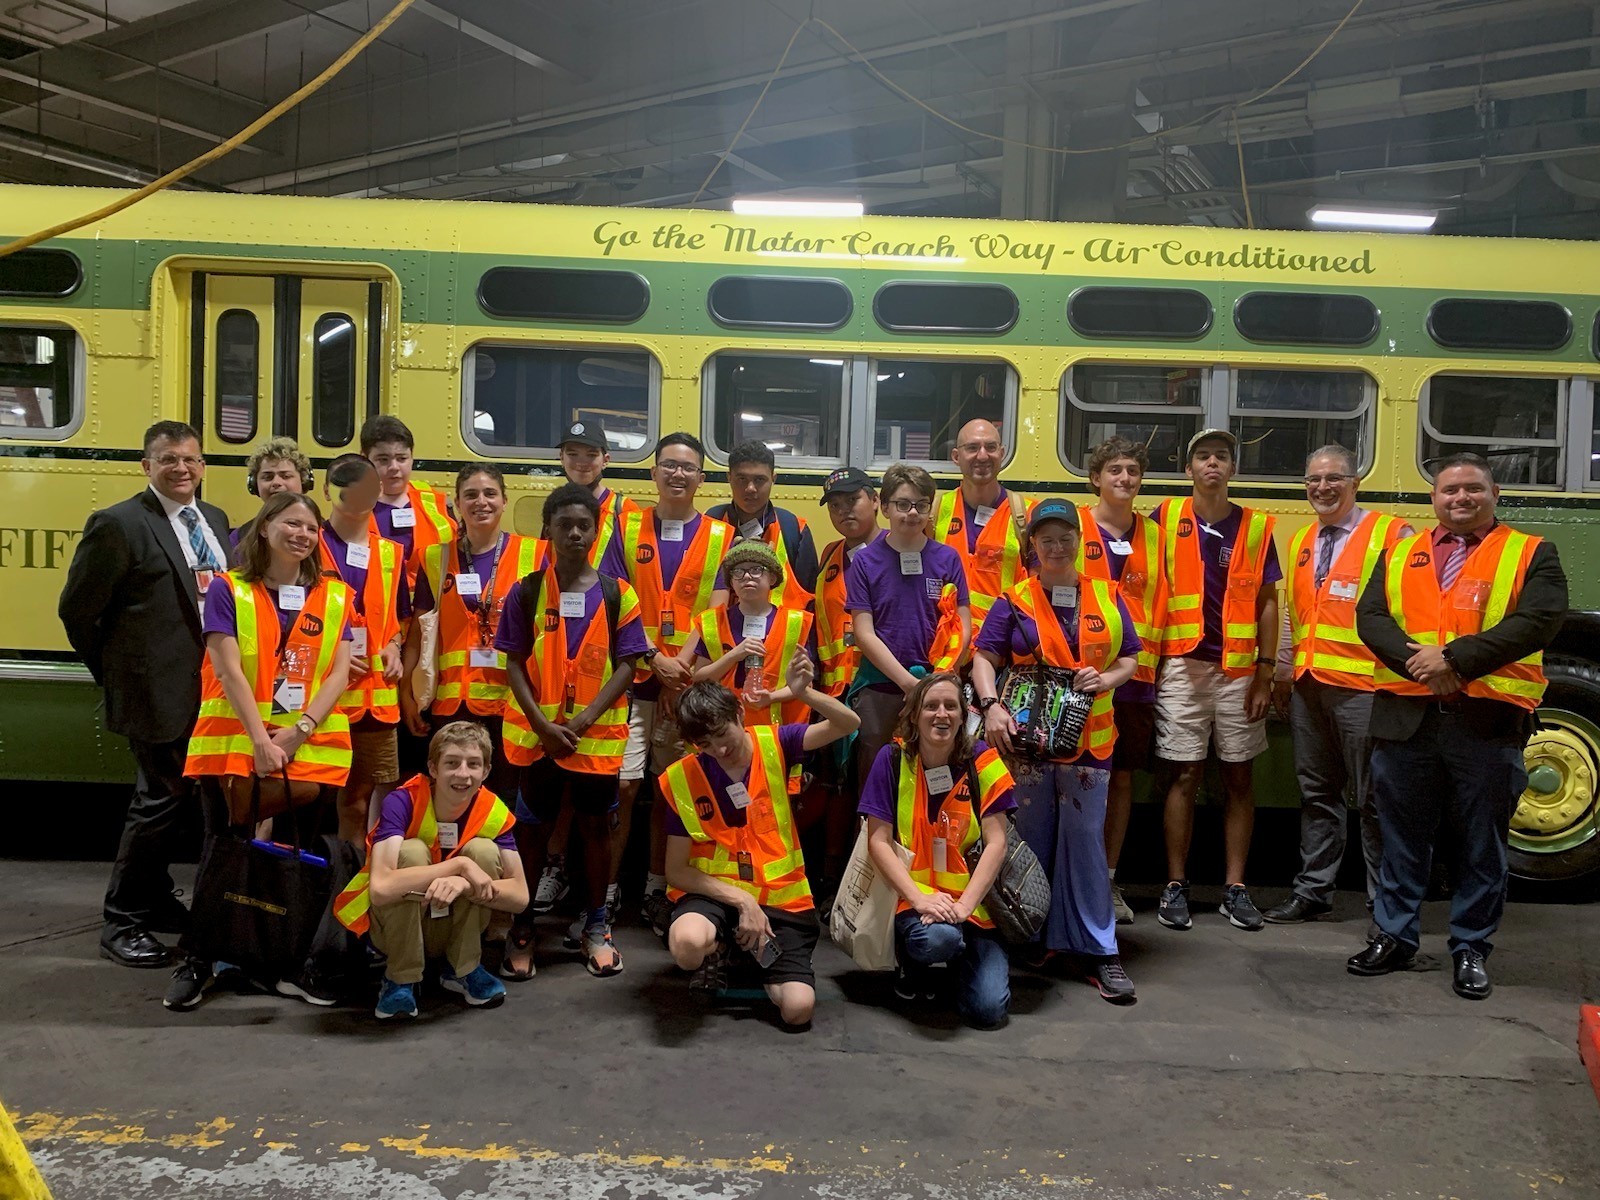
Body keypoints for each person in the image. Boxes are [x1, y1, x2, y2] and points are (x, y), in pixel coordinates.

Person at [1349, 454, 1566, 1000]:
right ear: (1434, 499)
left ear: (1494, 493)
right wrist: (1422, 663)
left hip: (1487, 721)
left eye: (1472, 489)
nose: (1460, 499)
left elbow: (1537, 621)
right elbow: (1371, 618)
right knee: (1401, 837)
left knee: (1481, 842)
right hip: (1405, 718)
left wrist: (1455, 660)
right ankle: (1395, 937)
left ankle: (1471, 947)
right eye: (1449, 490)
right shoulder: (1399, 552)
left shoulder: (1531, 552)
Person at [171, 491, 355, 1009]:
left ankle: (290, 959)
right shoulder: (229, 589)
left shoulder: (337, 595)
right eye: (290, 523)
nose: (301, 534)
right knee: (221, 848)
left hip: (310, 743)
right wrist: (260, 740)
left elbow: (340, 671)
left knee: (303, 854)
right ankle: (200, 959)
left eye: (310, 527)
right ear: (265, 528)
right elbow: (227, 668)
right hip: (236, 743)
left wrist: (298, 731)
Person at [59, 420, 231, 970]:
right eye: (168, 460)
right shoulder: (119, 524)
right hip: (155, 691)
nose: (181, 469)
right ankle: (122, 921)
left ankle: (156, 899)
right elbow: (79, 610)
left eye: (191, 459)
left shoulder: (216, 519)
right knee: (157, 804)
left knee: (183, 804)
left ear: (203, 465)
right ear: (147, 466)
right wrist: (120, 675)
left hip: (213, 689)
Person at [971, 500, 1141, 1003]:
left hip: (1090, 744)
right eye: (1046, 538)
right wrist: (990, 707)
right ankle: (1035, 937)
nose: (1057, 546)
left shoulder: (1106, 595)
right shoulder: (1013, 599)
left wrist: (1105, 677)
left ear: (1078, 540)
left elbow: (1130, 656)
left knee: (1086, 843)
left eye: (1065, 536)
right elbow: (984, 656)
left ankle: (1097, 950)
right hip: (1028, 745)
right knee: (1033, 841)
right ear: (1033, 547)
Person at [498, 484, 648, 980]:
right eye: (565, 524)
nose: (576, 532)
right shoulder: (525, 591)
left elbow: (628, 665)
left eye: (584, 524)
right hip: (537, 741)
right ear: (548, 530)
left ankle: (597, 927)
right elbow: (514, 664)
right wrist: (543, 725)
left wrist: (581, 722)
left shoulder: (616, 592)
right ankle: (522, 929)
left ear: (597, 528)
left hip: (594, 741)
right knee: (533, 834)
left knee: (594, 831)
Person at [661, 657, 859, 1028]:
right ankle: (716, 950)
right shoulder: (682, 778)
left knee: (798, 1011)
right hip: (716, 896)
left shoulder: (777, 742)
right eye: (704, 743)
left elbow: (850, 723)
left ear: (739, 713)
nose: (719, 750)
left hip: (782, 896)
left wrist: (805, 693)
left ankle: (753, 955)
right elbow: (675, 869)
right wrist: (741, 900)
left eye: (722, 735)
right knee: (687, 945)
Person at [1264, 446, 1410, 928]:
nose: (1322, 488)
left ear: (1355, 482)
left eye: (1333, 478)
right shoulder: (1303, 538)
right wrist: (1285, 673)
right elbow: (1295, 615)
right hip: (1310, 687)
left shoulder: (1393, 534)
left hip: (1366, 688)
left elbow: (1412, 612)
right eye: (1313, 480)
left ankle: (1384, 905)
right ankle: (1313, 891)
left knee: (1374, 798)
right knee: (1318, 794)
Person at [599, 432, 733, 933]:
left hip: (689, 683)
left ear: (701, 478)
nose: (678, 474)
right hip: (634, 678)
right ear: (653, 472)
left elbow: (718, 611)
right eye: (669, 466)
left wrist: (683, 665)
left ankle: (660, 887)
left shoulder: (721, 536)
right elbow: (613, 597)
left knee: (674, 788)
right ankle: (606, 892)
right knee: (626, 786)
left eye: (689, 467)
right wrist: (655, 657)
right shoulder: (626, 526)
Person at [1153, 429, 1281, 933]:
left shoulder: (1255, 526)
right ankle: (1176, 884)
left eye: (1221, 457)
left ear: (1232, 468)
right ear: (1189, 468)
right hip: (1182, 666)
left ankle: (1235, 887)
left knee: (1238, 777)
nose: (1212, 464)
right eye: (1202, 456)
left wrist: (1266, 672)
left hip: (1240, 671)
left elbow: (1269, 602)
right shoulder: (1163, 520)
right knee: (1183, 775)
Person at [333, 721, 530, 1020]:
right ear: (433, 768)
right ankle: (400, 977)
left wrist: (464, 884)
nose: (463, 774)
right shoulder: (403, 801)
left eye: (473, 764)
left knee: (484, 852)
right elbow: (381, 888)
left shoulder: (492, 810)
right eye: (452, 763)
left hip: (451, 925)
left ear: (486, 772)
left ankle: (462, 969)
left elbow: (520, 897)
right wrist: (460, 867)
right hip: (395, 929)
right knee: (412, 851)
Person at [858, 672, 1016, 1029]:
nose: (941, 715)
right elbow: (877, 841)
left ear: (963, 716)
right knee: (937, 940)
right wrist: (919, 899)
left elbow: (997, 842)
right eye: (930, 706)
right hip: (914, 902)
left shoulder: (983, 760)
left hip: (973, 908)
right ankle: (915, 962)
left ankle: (962, 961)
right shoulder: (892, 759)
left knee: (988, 1012)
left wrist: (962, 908)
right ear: (914, 715)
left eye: (950, 706)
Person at [404, 464, 545, 802]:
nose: (481, 502)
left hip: (512, 704)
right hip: (451, 705)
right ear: (456, 504)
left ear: (504, 500)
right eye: (471, 494)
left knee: (503, 800)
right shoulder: (435, 558)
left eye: (489, 493)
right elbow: (417, 635)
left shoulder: (536, 555)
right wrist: (406, 694)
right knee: (452, 798)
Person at [1076, 437, 1164, 926]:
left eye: (1132, 470)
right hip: (1080, 675)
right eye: (1114, 470)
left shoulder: (1155, 536)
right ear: (1096, 478)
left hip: (1134, 679)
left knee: (1121, 778)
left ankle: (1106, 880)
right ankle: (1071, 876)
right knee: (1072, 773)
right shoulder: (1073, 527)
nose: (1124, 479)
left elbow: (1164, 604)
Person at [845, 463, 969, 792]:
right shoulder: (865, 562)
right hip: (881, 689)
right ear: (884, 507)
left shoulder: (948, 558)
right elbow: (863, 632)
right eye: (902, 504)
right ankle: (874, 843)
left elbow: (962, 625)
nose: (912, 513)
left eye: (921, 504)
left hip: (937, 687)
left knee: (934, 778)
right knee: (877, 777)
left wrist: (937, 681)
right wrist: (908, 684)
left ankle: (927, 842)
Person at [318, 454, 409, 843]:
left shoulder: (390, 553)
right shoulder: (308, 545)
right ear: (326, 490)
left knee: (364, 799)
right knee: (312, 795)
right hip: (321, 696)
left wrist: (393, 646)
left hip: (374, 700)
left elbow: (397, 620)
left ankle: (356, 882)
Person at [807, 467, 884, 897]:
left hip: (878, 691)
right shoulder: (830, 556)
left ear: (874, 501)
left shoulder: (898, 550)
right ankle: (834, 883)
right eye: (835, 505)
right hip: (836, 695)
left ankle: (872, 885)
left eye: (852, 500)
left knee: (875, 790)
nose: (843, 511)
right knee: (837, 789)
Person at [688, 539, 816, 736]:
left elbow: (804, 684)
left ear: (772, 577)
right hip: (723, 730)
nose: (747, 576)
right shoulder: (713, 621)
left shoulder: (796, 622)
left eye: (756, 569)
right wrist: (733, 655)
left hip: (778, 731)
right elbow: (699, 678)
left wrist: (771, 698)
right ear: (730, 581)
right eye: (738, 572)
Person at [930, 418, 1031, 645]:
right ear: (956, 457)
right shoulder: (935, 512)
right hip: (945, 646)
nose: (983, 456)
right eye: (973, 448)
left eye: (991, 447)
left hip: (1001, 648)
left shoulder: (1025, 514)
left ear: (1002, 453)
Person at [707, 439, 818, 609]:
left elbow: (810, 597)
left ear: (773, 479)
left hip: (778, 633)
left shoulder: (794, 529)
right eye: (742, 478)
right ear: (729, 478)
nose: (750, 488)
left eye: (759, 480)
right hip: (721, 632)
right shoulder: (710, 523)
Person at [362, 414, 455, 585]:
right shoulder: (353, 506)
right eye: (383, 459)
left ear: (412, 458)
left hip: (429, 607)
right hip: (378, 607)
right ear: (364, 458)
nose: (394, 467)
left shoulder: (436, 502)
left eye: (402, 458)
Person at [558, 419, 636, 569]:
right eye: (573, 454)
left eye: (591, 455)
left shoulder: (624, 510)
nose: (581, 462)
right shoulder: (555, 508)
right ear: (562, 458)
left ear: (605, 460)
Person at [231, 436, 312, 557]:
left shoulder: (324, 533)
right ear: (254, 484)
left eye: (286, 476)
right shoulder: (240, 537)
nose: (276, 483)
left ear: (303, 481)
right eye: (267, 477)